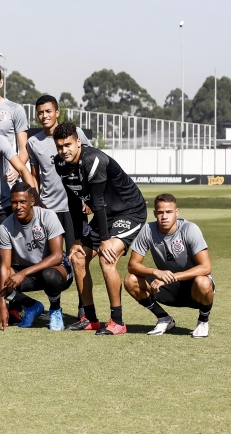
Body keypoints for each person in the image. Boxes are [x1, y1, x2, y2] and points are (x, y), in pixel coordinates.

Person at [54, 122, 148, 335]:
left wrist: (105, 240)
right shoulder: (60, 164)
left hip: (130, 211)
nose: (64, 150)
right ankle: (90, 318)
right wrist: (78, 238)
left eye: (68, 145)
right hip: (105, 213)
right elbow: (72, 201)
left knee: (107, 258)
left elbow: (97, 202)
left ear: (78, 142)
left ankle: (117, 321)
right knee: (78, 257)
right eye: (59, 146)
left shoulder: (93, 160)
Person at [125, 194, 214, 338]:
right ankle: (163, 318)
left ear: (176, 212)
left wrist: (169, 277)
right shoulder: (148, 230)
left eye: (169, 212)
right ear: (155, 213)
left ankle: (203, 321)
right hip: (166, 288)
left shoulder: (189, 229)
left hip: (192, 288)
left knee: (203, 282)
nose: (164, 216)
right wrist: (156, 272)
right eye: (160, 212)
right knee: (131, 280)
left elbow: (206, 267)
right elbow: (132, 265)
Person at [0, 181, 73, 331]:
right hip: (28, 272)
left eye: (23, 202)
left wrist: (23, 273)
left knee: (49, 275)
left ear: (32, 201)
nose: (18, 207)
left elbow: (57, 256)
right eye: (14, 203)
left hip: (56, 270)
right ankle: (32, 306)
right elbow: (4, 266)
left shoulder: (47, 216)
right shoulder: (6, 226)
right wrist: (2, 302)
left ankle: (55, 310)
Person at [26, 95, 91, 249]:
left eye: (48, 111)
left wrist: (90, 199)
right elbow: (35, 176)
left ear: (57, 112)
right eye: (40, 112)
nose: (44, 116)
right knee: (50, 257)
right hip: (48, 208)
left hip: (74, 207)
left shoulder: (76, 133)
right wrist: (37, 201)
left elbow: (90, 165)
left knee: (78, 255)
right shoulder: (33, 142)